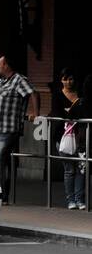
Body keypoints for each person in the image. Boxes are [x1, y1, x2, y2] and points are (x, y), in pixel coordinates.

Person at [0, 54, 36, 204]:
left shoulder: (19, 80)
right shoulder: (0, 82)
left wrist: (35, 112)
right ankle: (4, 196)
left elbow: (33, 93)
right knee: (2, 162)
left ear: (6, 65)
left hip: (8, 129)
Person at [54, 69, 87, 210]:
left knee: (81, 169)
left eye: (71, 79)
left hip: (80, 138)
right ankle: (70, 200)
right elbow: (56, 113)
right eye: (65, 79)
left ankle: (80, 200)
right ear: (61, 80)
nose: (68, 82)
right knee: (69, 170)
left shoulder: (81, 96)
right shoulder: (57, 96)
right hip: (63, 137)